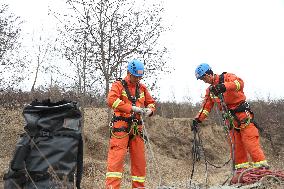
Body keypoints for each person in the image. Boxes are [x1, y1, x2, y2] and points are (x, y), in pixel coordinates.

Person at [192, 63, 268, 171]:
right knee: (236, 146)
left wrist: (224, 86)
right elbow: (206, 107)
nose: (204, 81)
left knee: (250, 140)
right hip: (230, 120)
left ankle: (262, 168)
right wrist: (197, 119)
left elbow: (239, 83)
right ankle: (241, 171)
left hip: (242, 115)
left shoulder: (226, 77)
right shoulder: (210, 91)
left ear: (209, 74)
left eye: (204, 78)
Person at [105, 59, 156, 189]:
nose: (137, 79)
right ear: (128, 72)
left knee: (139, 162)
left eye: (140, 77)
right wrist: (131, 108)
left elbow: (151, 103)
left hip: (137, 129)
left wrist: (150, 110)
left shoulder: (142, 88)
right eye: (135, 76)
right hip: (120, 128)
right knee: (116, 161)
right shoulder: (118, 85)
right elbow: (111, 100)